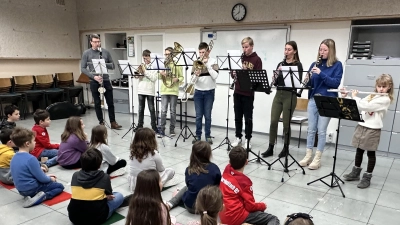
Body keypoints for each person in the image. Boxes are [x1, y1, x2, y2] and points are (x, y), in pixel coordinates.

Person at [341, 74, 393, 188]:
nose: (381, 89)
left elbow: (366, 106)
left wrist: (355, 96)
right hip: (362, 125)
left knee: (371, 153)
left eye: (384, 87)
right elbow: (358, 104)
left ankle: (367, 177)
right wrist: (346, 96)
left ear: (389, 87)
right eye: (379, 86)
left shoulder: (385, 99)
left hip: (373, 129)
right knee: (359, 151)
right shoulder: (372, 95)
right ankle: (355, 173)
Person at [299, 39, 343, 170]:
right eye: (320, 49)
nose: (321, 52)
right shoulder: (314, 64)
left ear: (331, 51)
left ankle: (317, 159)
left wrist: (321, 73)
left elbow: (335, 83)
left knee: (321, 131)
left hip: (327, 100)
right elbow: (311, 85)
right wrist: (306, 80)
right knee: (311, 130)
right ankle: (308, 156)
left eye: (324, 50)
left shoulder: (337, 65)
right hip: (313, 99)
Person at [262, 41, 303, 158]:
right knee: (273, 121)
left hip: (290, 95)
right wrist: (275, 76)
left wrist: (285, 73)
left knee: (286, 123)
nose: (286, 52)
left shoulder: (298, 65)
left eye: (289, 49)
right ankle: (270, 147)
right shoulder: (281, 63)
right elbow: (275, 82)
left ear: (294, 51)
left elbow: (297, 82)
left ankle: (286, 147)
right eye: (285, 49)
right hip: (278, 94)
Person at [219, 146, 280, 225]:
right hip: (236, 217)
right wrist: (262, 206)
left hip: (222, 213)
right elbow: (250, 206)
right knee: (273, 219)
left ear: (229, 162)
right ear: (246, 162)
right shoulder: (245, 182)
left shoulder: (227, 169)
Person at [68, 147, 124, 225]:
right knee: (119, 195)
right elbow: (109, 195)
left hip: (74, 217)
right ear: (100, 164)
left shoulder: (75, 175)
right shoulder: (104, 177)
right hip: (97, 218)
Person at [10, 127, 64, 208]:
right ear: (27, 144)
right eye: (34, 141)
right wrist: (50, 179)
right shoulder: (31, 159)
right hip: (32, 189)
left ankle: (32, 195)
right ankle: (43, 196)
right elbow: (42, 179)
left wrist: (45, 175)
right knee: (59, 186)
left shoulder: (14, 157)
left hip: (21, 190)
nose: (35, 143)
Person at [165, 141, 221, 213]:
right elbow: (217, 185)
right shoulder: (214, 168)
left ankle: (171, 203)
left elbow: (188, 185)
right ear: (209, 154)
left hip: (190, 207)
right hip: (208, 207)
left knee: (187, 187)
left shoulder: (189, 169)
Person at [81, 34, 122, 129]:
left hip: (106, 79)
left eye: (98, 41)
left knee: (110, 102)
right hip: (94, 81)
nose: (97, 44)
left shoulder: (105, 52)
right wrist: (93, 77)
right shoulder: (86, 53)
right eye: (95, 42)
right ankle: (101, 122)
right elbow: (83, 68)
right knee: (97, 102)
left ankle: (113, 122)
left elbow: (112, 66)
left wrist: (103, 62)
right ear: (91, 42)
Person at [231, 37, 262, 149]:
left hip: (248, 93)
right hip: (237, 90)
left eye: (247, 47)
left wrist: (246, 70)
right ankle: (238, 137)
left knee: (248, 117)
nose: (244, 49)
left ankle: (248, 139)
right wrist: (234, 72)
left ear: (252, 46)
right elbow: (232, 73)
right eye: (243, 47)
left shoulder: (256, 59)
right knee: (237, 116)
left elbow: (258, 77)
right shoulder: (240, 58)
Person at [128, 127, 175, 192]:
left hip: (135, 184)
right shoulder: (154, 154)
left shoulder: (132, 152)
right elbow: (161, 169)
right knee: (170, 171)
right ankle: (156, 187)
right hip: (148, 183)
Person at [191, 42, 219, 144]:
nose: (201, 54)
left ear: (208, 51)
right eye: (200, 52)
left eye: (203, 52)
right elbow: (192, 80)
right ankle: (198, 135)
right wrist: (196, 75)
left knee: (207, 116)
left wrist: (207, 65)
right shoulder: (196, 62)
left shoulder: (214, 61)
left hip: (209, 92)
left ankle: (208, 136)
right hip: (198, 92)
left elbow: (215, 76)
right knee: (198, 116)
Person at [158, 46, 184, 137]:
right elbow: (158, 76)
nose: (166, 56)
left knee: (173, 111)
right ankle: (162, 130)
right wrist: (161, 74)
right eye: (165, 54)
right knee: (163, 111)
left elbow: (182, 77)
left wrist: (177, 79)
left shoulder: (178, 64)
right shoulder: (162, 64)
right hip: (164, 89)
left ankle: (172, 130)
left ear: (172, 54)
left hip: (173, 90)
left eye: (168, 54)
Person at [134, 49, 158, 132]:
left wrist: (145, 71)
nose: (145, 60)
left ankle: (154, 127)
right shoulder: (142, 65)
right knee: (140, 109)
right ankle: (139, 125)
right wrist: (137, 74)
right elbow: (137, 77)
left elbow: (154, 78)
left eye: (147, 58)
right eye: (144, 58)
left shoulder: (154, 66)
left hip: (150, 90)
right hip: (141, 90)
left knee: (151, 109)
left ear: (150, 57)